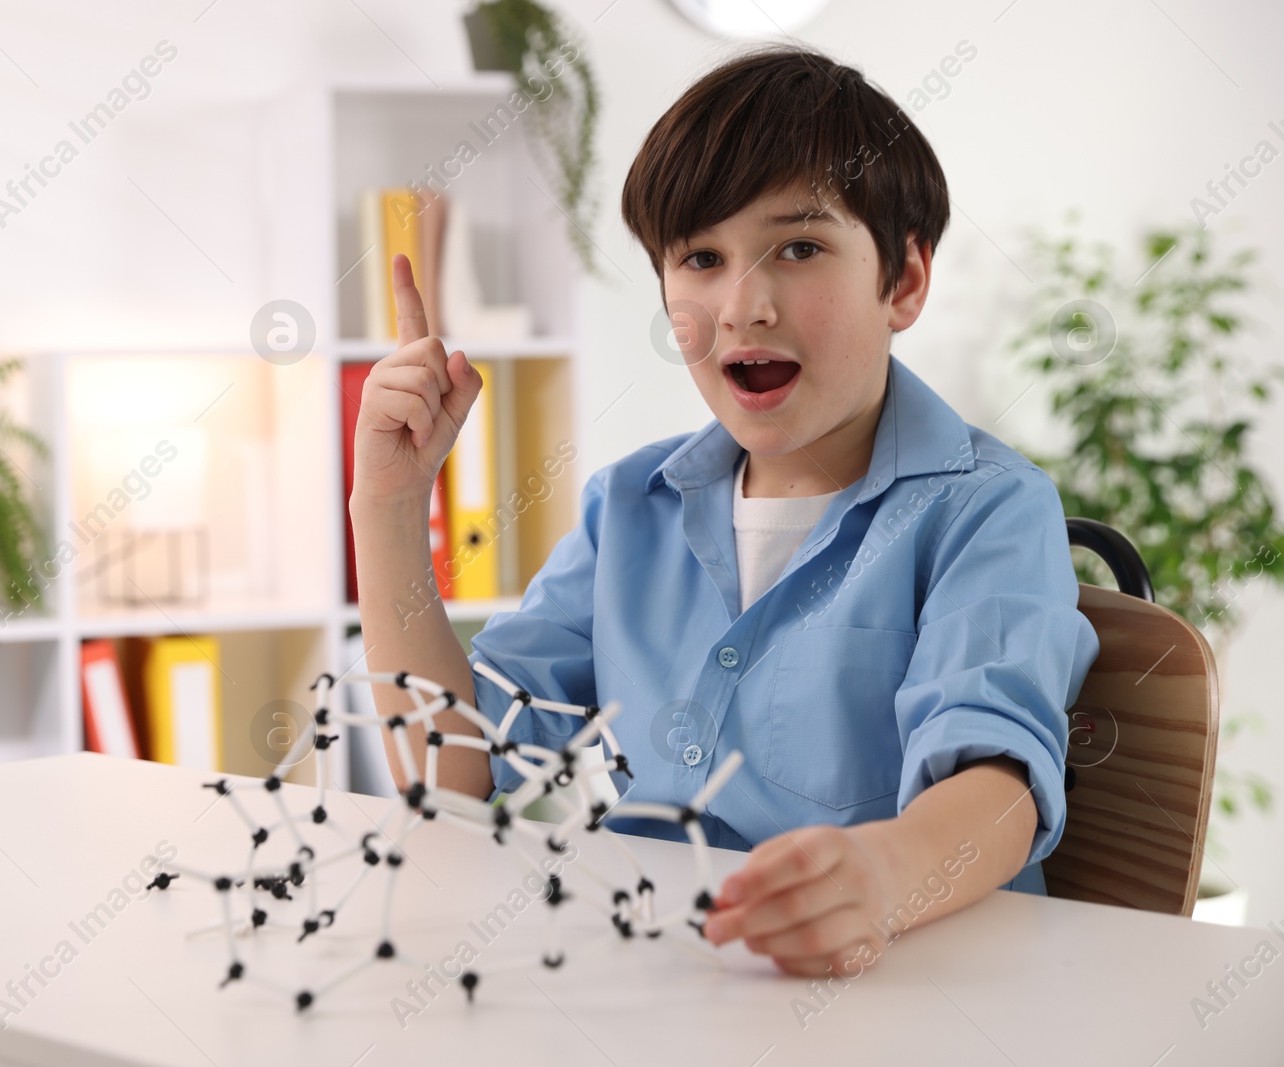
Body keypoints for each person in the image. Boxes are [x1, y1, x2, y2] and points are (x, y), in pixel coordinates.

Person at [347, 42, 1099, 980]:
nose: (744, 304)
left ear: (902, 281)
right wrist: (388, 506)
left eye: (800, 247)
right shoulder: (628, 507)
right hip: (659, 989)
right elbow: (454, 772)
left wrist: (880, 870)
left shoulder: (987, 509)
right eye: (701, 256)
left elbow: (998, 785)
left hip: (899, 999)